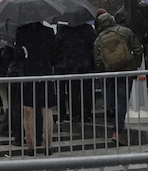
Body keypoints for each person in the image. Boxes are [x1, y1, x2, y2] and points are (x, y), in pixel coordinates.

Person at [93, 11, 141, 144]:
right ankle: (118, 131)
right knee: (122, 101)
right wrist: (134, 66)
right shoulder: (126, 32)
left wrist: (105, 70)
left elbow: (97, 61)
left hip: (110, 74)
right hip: (126, 73)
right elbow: (137, 50)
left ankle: (116, 129)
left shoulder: (99, 39)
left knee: (115, 101)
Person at [17, 20, 57, 156]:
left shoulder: (21, 32)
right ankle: (48, 145)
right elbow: (54, 53)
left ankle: (31, 146)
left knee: (28, 110)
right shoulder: (49, 32)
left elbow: (18, 54)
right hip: (45, 72)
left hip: (29, 72)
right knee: (47, 110)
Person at [52, 15, 96, 125]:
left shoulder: (63, 30)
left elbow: (56, 46)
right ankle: (86, 113)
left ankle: (74, 114)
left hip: (69, 64)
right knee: (86, 89)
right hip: (85, 63)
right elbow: (94, 44)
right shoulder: (88, 29)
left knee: (73, 90)